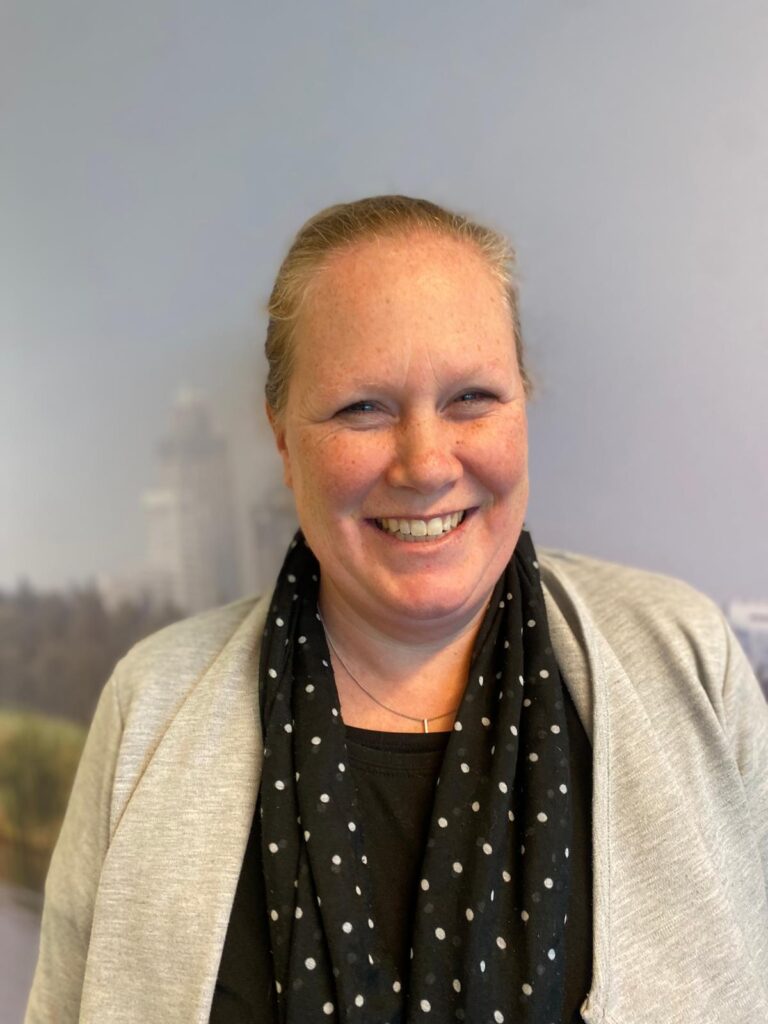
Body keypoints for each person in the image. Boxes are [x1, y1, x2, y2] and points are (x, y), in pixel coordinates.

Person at [26, 196, 768, 1024]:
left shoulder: (687, 662)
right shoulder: (149, 706)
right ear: (284, 440)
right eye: (362, 408)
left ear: (524, 404)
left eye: (472, 398)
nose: (426, 464)